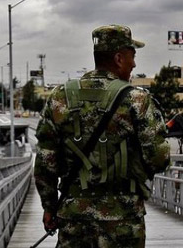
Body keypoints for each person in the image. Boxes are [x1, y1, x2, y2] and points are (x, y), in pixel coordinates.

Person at [34, 25, 171, 247]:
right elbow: (159, 159)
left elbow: (45, 162)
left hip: (74, 218)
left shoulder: (60, 98)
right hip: (124, 219)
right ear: (118, 58)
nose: (134, 64)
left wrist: (49, 207)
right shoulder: (137, 100)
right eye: (132, 56)